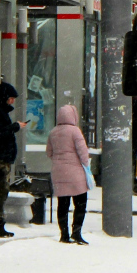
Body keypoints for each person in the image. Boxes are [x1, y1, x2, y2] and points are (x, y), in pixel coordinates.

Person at [47, 104, 90, 245]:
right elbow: (83, 153)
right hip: (75, 172)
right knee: (80, 203)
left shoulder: (53, 132)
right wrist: (86, 165)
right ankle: (77, 232)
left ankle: (64, 234)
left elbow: (49, 152)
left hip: (58, 172)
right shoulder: (75, 131)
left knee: (63, 204)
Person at [0, 82, 25, 239]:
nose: (12, 102)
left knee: (0, 192)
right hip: (0, 159)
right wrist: (15, 127)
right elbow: (0, 132)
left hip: (1, 158)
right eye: (11, 98)